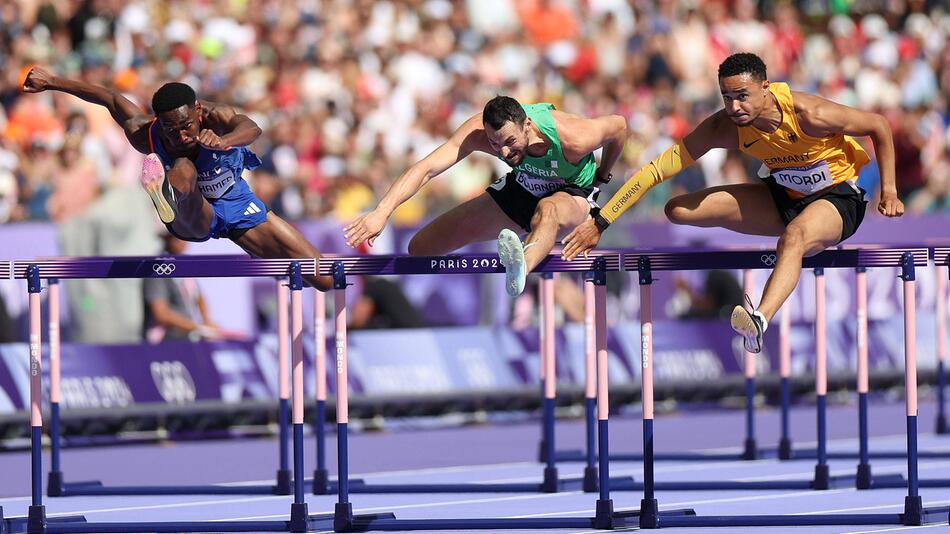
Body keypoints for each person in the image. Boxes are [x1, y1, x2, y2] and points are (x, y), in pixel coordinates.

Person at [561, 52, 904, 353]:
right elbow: (654, 171)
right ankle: (793, 240)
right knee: (677, 209)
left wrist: (889, 189)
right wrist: (600, 220)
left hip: (838, 198)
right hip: (783, 198)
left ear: (766, 88)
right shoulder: (723, 127)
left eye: (742, 96)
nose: (734, 107)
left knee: (795, 236)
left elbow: (879, 126)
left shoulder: (809, 114)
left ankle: (758, 322)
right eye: (726, 97)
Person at [21, 67, 333, 290]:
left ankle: (174, 194)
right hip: (191, 213)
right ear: (158, 121)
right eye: (170, 130)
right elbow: (109, 98)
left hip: (237, 204)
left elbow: (252, 128)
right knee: (184, 167)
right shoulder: (145, 132)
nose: (180, 135)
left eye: (186, 126)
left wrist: (226, 141)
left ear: (198, 111)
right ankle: (165, 195)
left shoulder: (217, 116)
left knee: (324, 278)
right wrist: (52, 83)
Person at [343, 95, 627, 297]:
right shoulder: (477, 132)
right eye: (495, 144)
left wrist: (603, 176)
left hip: (572, 192)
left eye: (510, 142)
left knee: (548, 209)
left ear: (527, 124)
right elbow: (427, 168)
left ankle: (521, 267)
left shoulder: (573, 137)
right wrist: (382, 211)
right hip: (524, 185)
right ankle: (522, 253)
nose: (503, 152)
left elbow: (619, 126)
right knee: (421, 248)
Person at [143, 231, 221, 342]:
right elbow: (161, 314)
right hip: (165, 342)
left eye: (185, 236)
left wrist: (206, 320)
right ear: (166, 239)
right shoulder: (157, 269)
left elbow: (199, 298)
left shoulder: (185, 264)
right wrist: (199, 328)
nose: (183, 241)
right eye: (177, 237)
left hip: (187, 339)